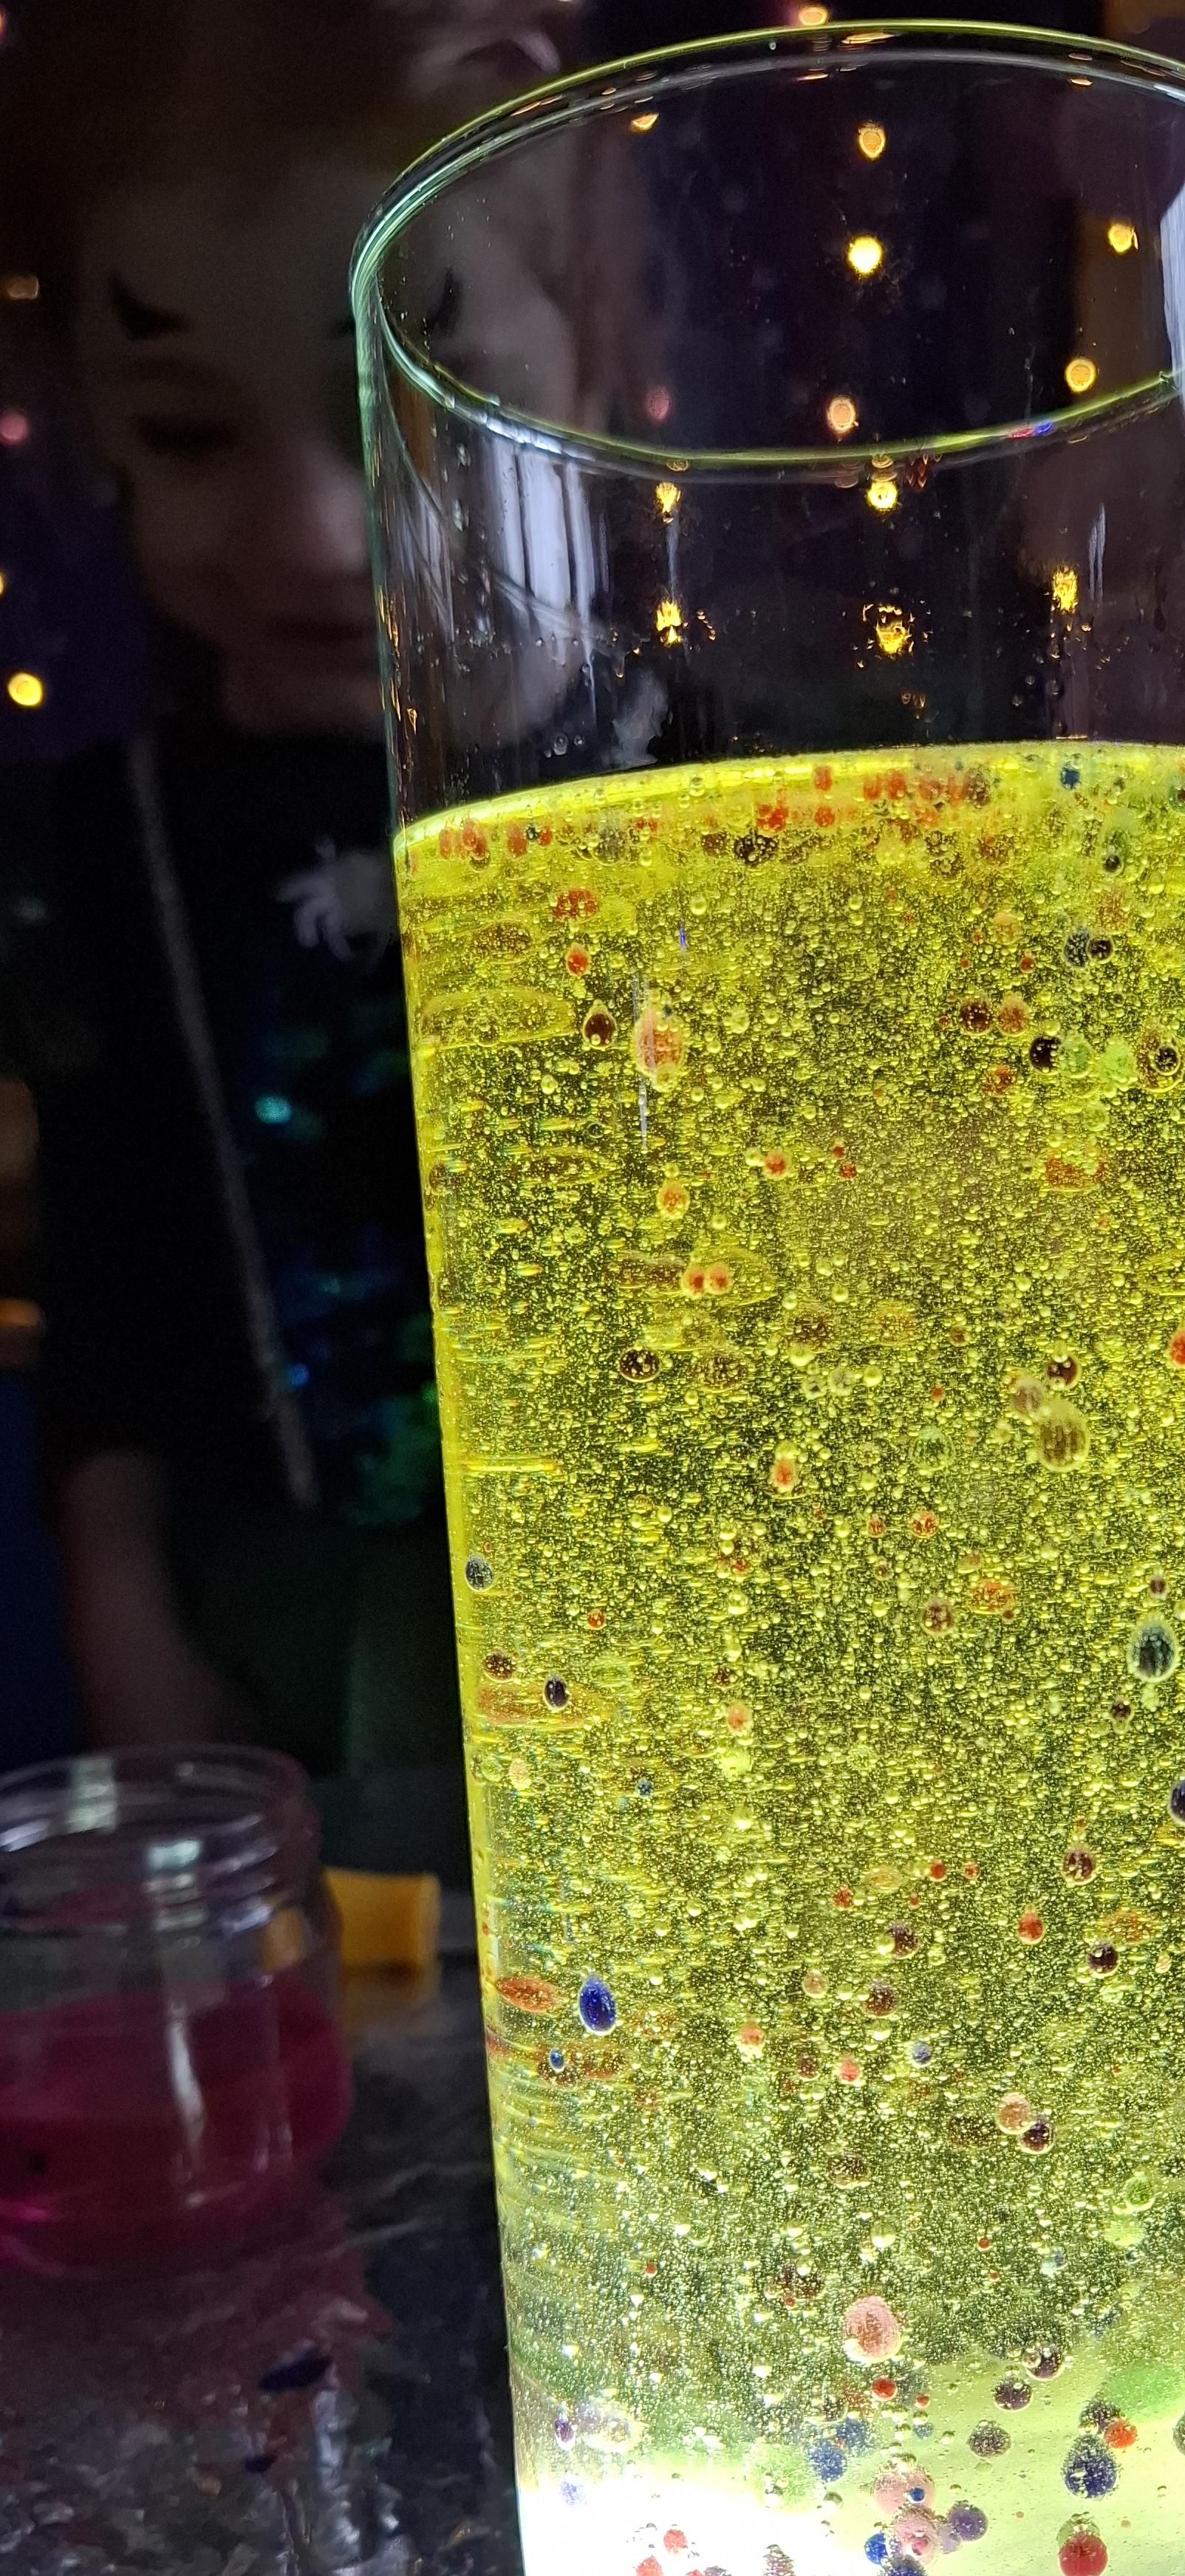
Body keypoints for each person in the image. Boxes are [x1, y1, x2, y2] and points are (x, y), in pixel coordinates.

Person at [4, 0, 585, 1771]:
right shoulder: (109, 841)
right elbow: (109, 1269)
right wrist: (120, 1604)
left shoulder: (722, 776)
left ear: (585, 327)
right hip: (282, 1636)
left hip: (655, 1625)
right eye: (191, 434)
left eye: (407, 397)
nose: (318, 539)